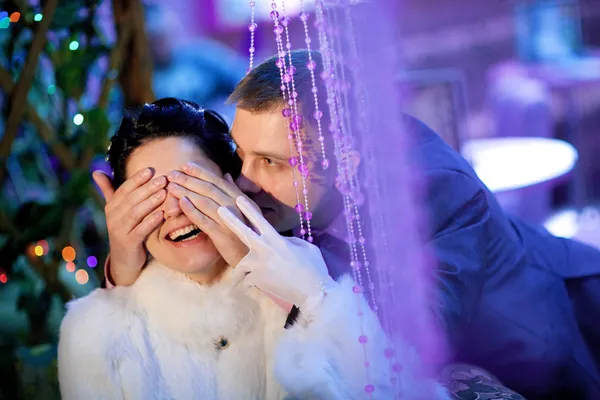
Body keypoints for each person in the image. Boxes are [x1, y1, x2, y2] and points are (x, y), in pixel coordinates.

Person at [99, 51, 600, 398]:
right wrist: (123, 260)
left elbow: (415, 340)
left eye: (272, 162)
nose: (244, 182)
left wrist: (258, 250)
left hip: (537, 340)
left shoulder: (427, 192)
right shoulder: (283, 175)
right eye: (239, 154)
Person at [60, 98, 448, 399]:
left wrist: (308, 298)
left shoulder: (308, 279)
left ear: (233, 184)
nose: (177, 210)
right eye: (152, 195)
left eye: (192, 186)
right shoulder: (96, 333)